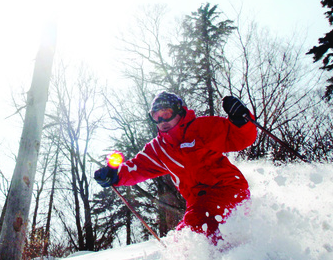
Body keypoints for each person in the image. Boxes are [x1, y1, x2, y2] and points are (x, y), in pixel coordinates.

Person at [94, 91, 257, 241]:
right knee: (181, 239)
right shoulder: (159, 148)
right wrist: (115, 175)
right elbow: (138, 166)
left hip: (228, 189)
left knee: (200, 222)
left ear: (179, 111)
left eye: (166, 114)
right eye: (156, 117)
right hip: (198, 202)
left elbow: (238, 137)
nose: (162, 121)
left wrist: (241, 120)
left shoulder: (200, 128)